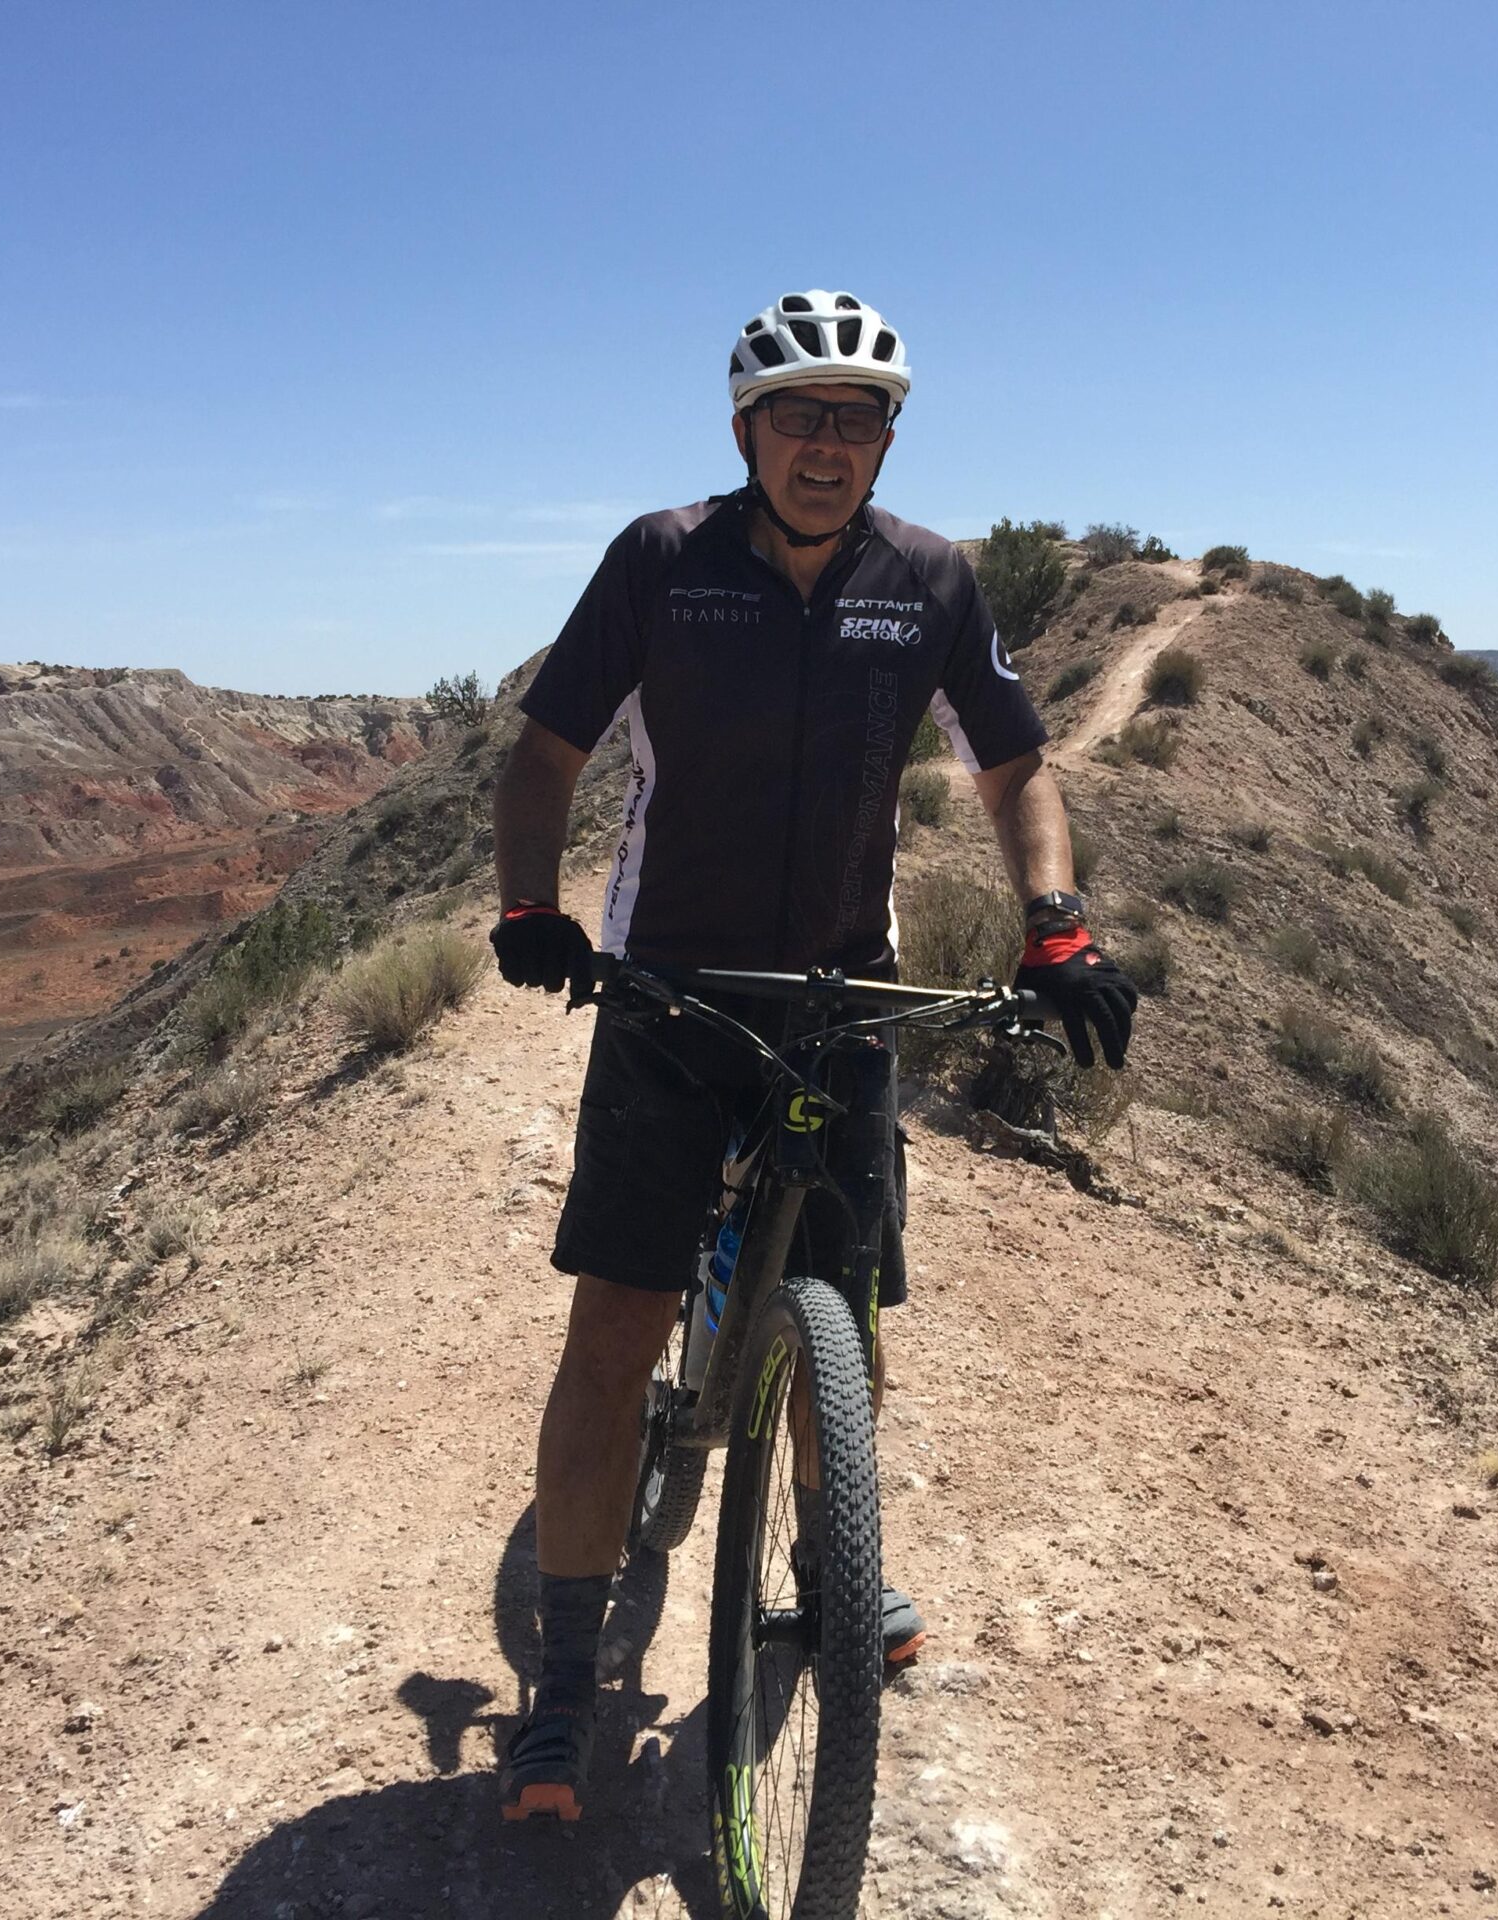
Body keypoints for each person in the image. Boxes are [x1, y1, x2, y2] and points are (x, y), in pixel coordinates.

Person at [485, 289, 1139, 1821]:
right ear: (747, 431)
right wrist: (529, 904)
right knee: (618, 1327)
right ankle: (565, 1681)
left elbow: (1014, 762)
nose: (827, 443)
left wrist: (1056, 922)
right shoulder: (663, 560)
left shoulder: (928, 580)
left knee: (837, 1307)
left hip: (844, 988)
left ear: (886, 436)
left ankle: (829, 1562)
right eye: (800, 415)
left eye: (857, 417)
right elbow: (547, 752)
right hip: (669, 989)